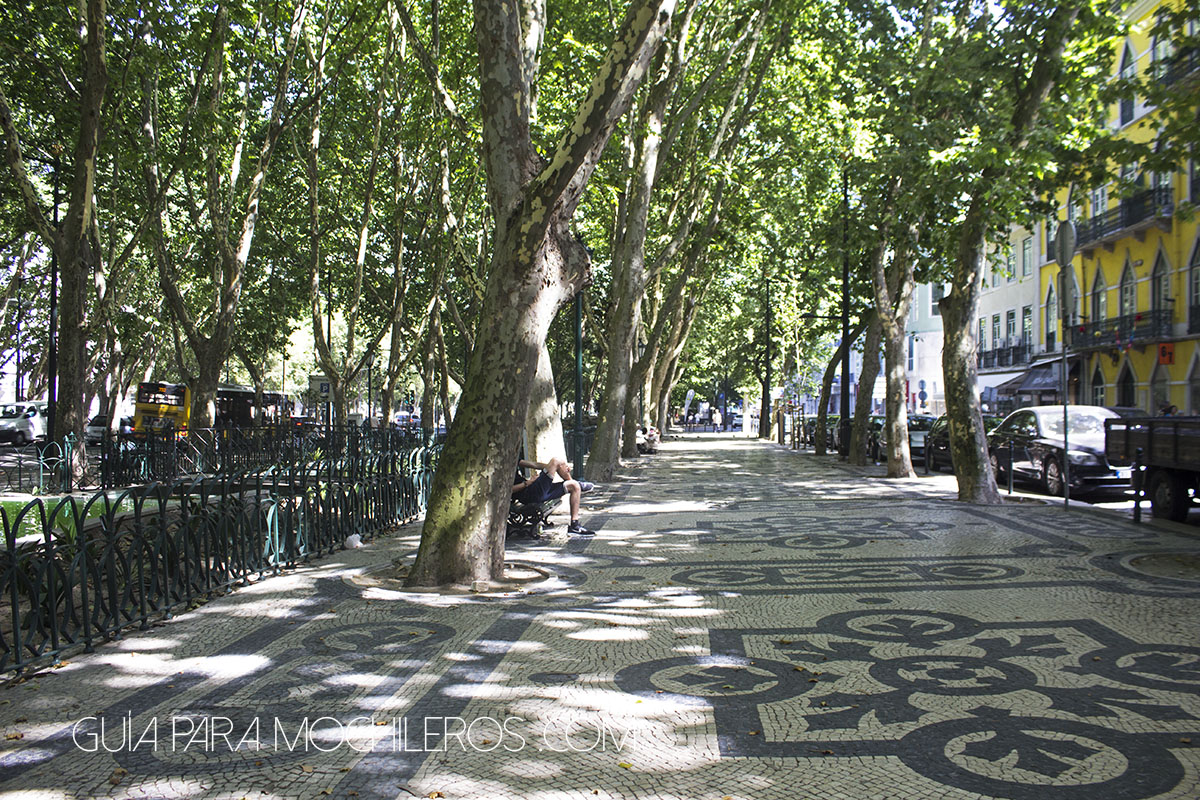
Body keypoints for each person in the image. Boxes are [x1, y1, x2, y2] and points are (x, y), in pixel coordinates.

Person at [513, 456, 596, 535]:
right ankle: (576, 482)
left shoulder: (512, 458)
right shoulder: (504, 466)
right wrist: (527, 483)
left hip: (534, 489)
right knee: (556, 461)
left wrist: (559, 468)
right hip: (528, 494)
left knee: (574, 486)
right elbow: (510, 490)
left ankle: (575, 525)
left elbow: (534, 465)